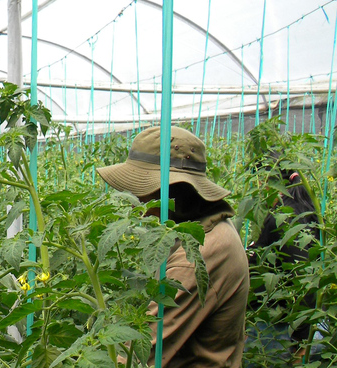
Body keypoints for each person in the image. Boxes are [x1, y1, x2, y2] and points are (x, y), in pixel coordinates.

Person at [96, 125, 249, 368]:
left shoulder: (199, 254)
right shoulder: (208, 228)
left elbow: (139, 351)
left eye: (145, 194)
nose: (141, 207)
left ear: (176, 192)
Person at [247, 155, 320, 363]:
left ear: (266, 180)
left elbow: (304, 279)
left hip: (279, 329)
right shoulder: (295, 210)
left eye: (258, 181)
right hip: (278, 325)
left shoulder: (286, 218)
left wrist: (301, 344)